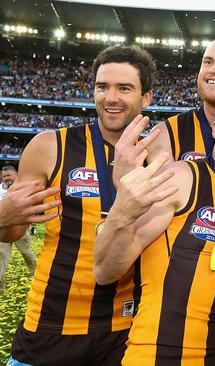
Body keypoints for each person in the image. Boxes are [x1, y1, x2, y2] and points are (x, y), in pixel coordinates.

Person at [112, 37, 215, 365]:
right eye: (207, 62)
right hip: (174, 320)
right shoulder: (167, 134)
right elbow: (136, 230)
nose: (213, 70)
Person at [3, 45, 156, 365]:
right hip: (51, 322)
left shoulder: (158, 159)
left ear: (146, 98)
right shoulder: (50, 146)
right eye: (103, 87)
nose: (111, 97)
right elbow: (14, 228)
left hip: (127, 330)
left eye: (124, 88)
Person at [0, 165, 37, 291]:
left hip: (21, 226)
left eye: (8, 175)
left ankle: (37, 273)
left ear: (16, 175)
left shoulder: (24, 187)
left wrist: (30, 224)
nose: (6, 178)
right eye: (4, 176)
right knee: (2, 254)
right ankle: (0, 284)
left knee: (26, 252)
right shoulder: (0, 189)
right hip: (4, 227)